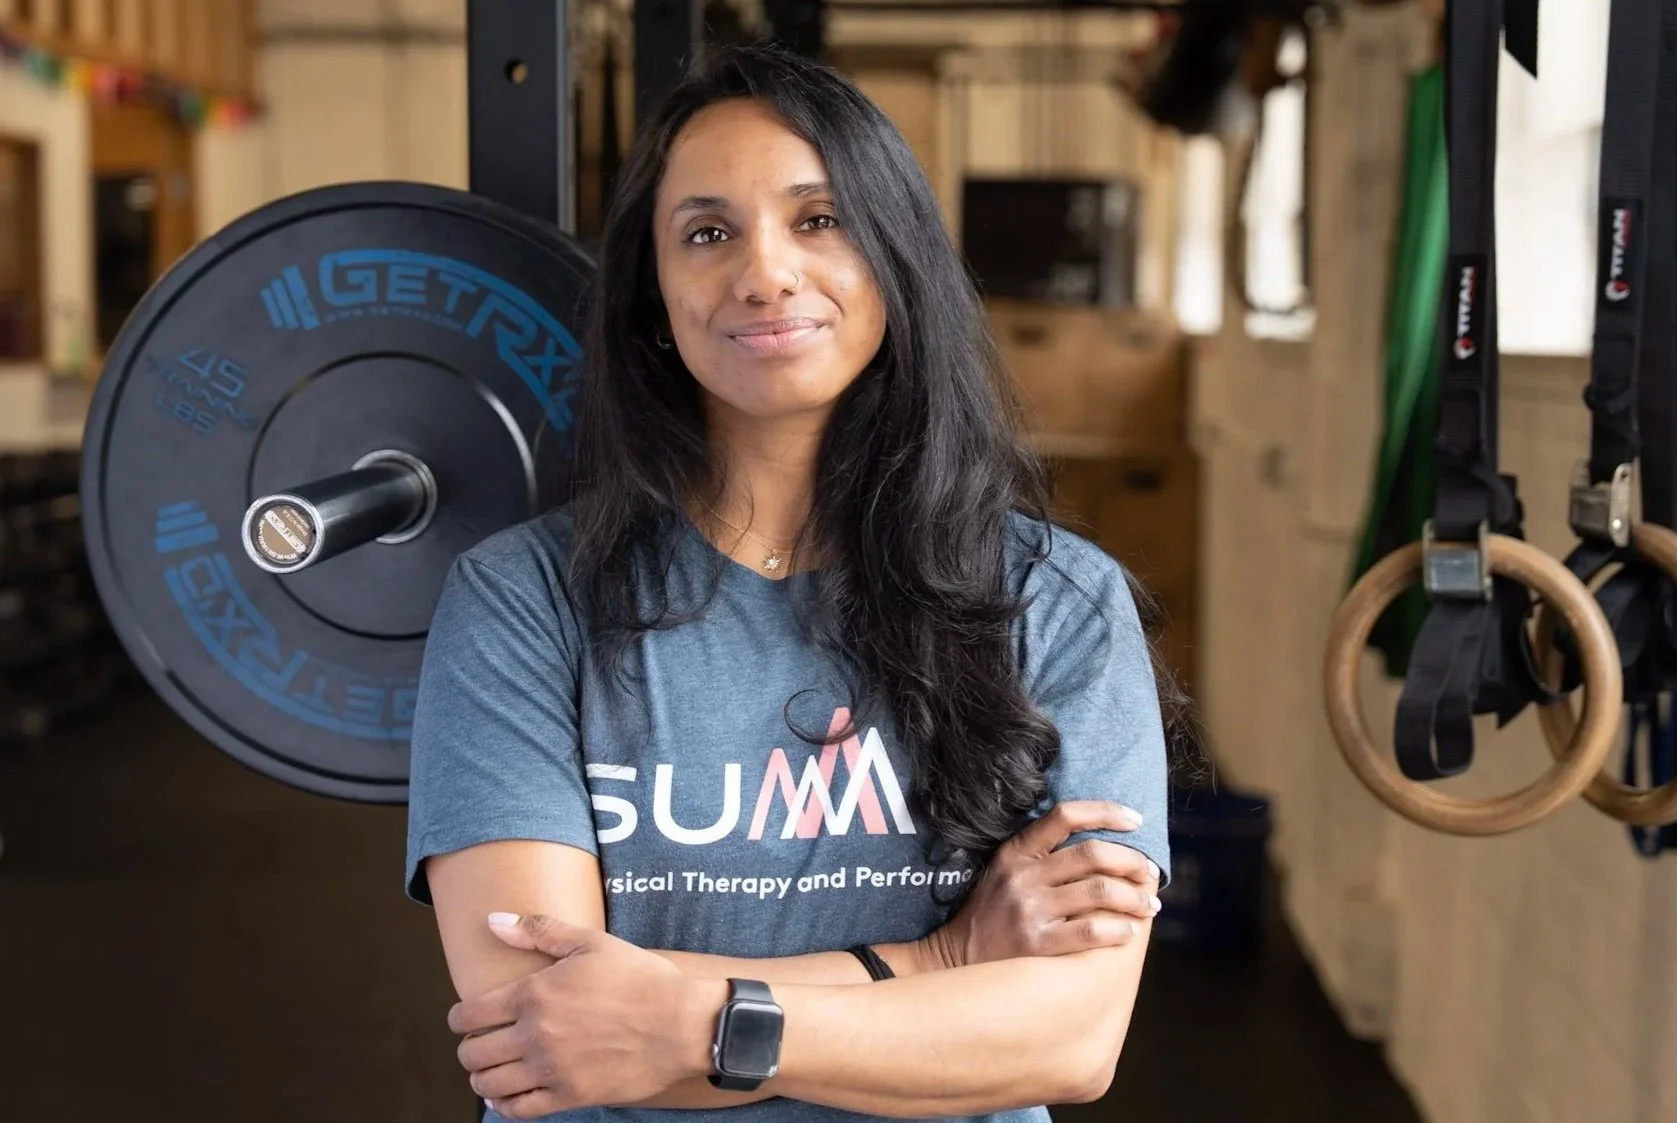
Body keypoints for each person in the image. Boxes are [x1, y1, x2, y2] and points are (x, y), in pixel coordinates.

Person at [403, 42, 1187, 1123]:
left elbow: (1071, 1036)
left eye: (819, 220)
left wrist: (684, 1024)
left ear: (894, 258)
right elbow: (540, 1026)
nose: (766, 273)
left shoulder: (1057, 601)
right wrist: (939, 959)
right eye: (709, 232)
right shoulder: (521, 601)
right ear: (653, 295)